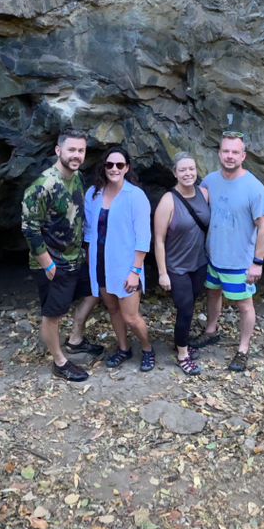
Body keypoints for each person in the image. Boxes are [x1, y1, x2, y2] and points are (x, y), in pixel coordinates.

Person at [21, 130, 101, 384]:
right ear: (58, 151)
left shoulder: (77, 177)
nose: (77, 155)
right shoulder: (43, 186)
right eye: (71, 150)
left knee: (93, 292)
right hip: (53, 262)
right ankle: (59, 362)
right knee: (53, 314)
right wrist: (48, 265)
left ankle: (75, 339)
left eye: (81, 151)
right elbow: (29, 228)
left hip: (76, 257)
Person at [196, 131, 264, 372]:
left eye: (235, 152)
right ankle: (211, 331)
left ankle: (243, 349)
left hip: (239, 262)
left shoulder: (254, 188)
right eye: (226, 151)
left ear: (243, 156)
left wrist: (257, 262)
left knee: (244, 305)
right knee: (213, 294)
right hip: (214, 257)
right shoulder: (209, 181)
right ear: (219, 153)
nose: (230, 156)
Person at [84, 146, 155, 372]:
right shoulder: (93, 194)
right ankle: (124, 348)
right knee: (113, 309)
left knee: (131, 316)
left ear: (127, 168)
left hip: (126, 264)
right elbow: (89, 231)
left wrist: (135, 271)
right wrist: (90, 261)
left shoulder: (136, 196)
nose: (114, 168)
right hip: (100, 262)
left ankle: (147, 349)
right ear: (103, 167)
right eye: (109, 164)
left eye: (119, 165)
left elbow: (143, 238)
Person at [154, 153, 210, 375]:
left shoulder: (204, 194)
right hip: (177, 267)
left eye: (191, 169)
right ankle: (183, 355)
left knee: (190, 305)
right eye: (183, 170)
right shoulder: (168, 200)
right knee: (185, 308)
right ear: (175, 173)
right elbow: (159, 240)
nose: (188, 173)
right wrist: (162, 273)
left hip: (199, 263)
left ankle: (181, 341)